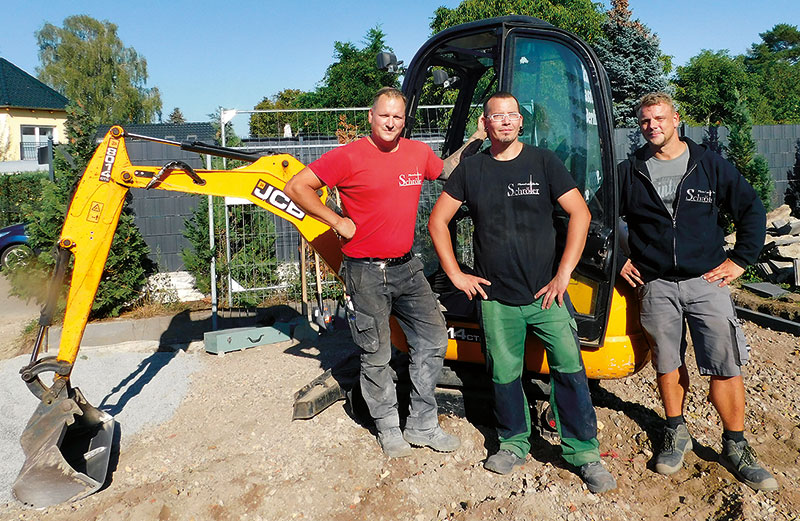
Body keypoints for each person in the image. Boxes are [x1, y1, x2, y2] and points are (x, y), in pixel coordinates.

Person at [427, 92, 617, 493]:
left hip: (546, 295)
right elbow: (437, 221)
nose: (506, 122)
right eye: (498, 116)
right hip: (496, 300)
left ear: (521, 122)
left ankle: (584, 453)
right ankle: (513, 443)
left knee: (569, 371)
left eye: (513, 115)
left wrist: (564, 274)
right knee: (504, 374)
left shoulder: (544, 163)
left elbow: (580, 213)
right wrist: (456, 275)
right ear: (486, 123)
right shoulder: (471, 170)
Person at [284, 87, 484, 458]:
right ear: (372, 117)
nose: (391, 123)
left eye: (398, 117)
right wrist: (336, 221)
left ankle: (422, 424)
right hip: (366, 273)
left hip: (408, 268)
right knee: (375, 352)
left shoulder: (417, 153)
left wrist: (476, 138)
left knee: (433, 338)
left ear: (404, 121)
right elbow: (297, 187)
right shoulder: (348, 156)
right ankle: (389, 428)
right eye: (385, 115)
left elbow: (447, 169)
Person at [618, 92, 778, 491]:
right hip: (655, 284)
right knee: (667, 362)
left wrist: (741, 260)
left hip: (707, 282)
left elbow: (751, 209)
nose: (652, 125)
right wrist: (616, 259)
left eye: (659, 118)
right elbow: (596, 218)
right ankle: (676, 432)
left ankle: (735, 444)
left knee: (725, 364)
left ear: (676, 119)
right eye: (644, 121)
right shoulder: (629, 170)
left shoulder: (709, 164)